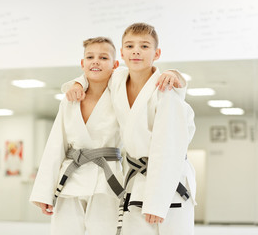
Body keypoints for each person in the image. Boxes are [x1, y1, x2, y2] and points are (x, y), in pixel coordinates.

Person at [63, 23, 196, 235]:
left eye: (144, 46)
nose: (136, 50)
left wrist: (157, 202)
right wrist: (78, 85)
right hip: (136, 181)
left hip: (170, 183)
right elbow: (95, 73)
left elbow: (169, 151)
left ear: (157, 53)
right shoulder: (117, 80)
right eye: (130, 46)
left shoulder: (165, 92)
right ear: (122, 54)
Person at [29, 37, 124, 235]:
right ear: (82, 63)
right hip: (70, 180)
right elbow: (56, 144)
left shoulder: (121, 95)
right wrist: (43, 191)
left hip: (106, 181)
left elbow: (134, 75)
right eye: (90, 57)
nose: (95, 61)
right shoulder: (70, 99)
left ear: (115, 65)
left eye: (103, 57)